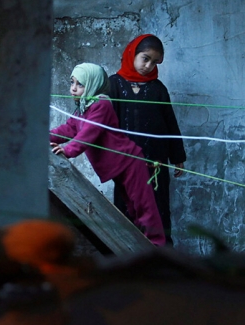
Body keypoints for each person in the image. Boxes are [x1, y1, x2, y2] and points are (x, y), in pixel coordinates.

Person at [49, 63, 166, 246]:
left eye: (80, 84)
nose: (73, 88)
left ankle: (156, 245)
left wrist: (68, 150)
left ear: (93, 84)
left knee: (143, 206)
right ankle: (142, 246)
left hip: (129, 161)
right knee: (132, 207)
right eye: (72, 82)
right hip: (118, 166)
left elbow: (89, 133)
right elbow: (69, 128)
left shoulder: (101, 104)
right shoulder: (84, 107)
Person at [109, 34, 186, 245]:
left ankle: (160, 256)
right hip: (126, 164)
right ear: (132, 53)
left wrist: (177, 156)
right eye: (145, 58)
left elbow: (170, 123)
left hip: (156, 164)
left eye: (154, 62)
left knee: (157, 208)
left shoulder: (158, 89)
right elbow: (105, 122)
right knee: (127, 206)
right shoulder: (113, 85)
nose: (149, 66)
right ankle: (126, 253)